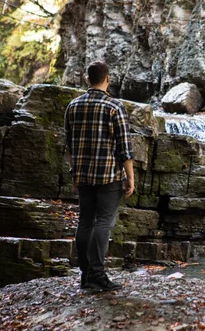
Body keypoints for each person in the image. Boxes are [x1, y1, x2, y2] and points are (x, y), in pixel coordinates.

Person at [64, 61, 135, 291]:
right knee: (103, 222)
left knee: (85, 221)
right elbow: (124, 148)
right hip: (108, 177)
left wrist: (74, 172)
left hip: (83, 175)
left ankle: (85, 275)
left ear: (87, 80)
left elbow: (68, 145)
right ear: (108, 79)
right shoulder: (115, 107)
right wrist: (130, 178)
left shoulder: (73, 106)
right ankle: (98, 274)